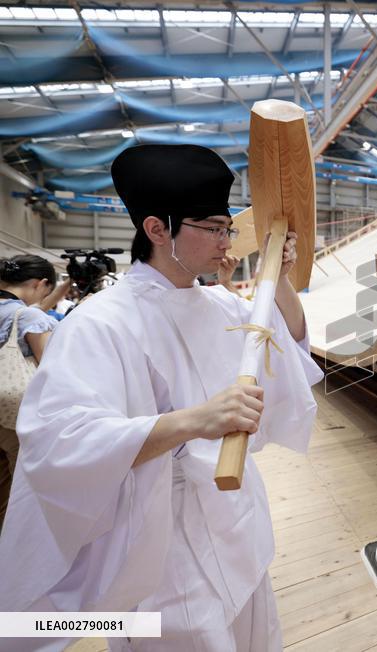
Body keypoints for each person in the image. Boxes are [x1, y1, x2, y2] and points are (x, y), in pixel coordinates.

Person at [0, 144, 323, 651]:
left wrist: (278, 281)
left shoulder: (218, 303)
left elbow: (286, 350)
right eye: (214, 228)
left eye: (227, 228)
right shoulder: (101, 320)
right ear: (157, 229)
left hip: (236, 516)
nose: (226, 240)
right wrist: (194, 421)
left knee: (253, 629)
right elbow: (59, 440)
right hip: (158, 531)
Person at [0, 255, 59, 532]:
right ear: (41, 284)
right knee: (19, 488)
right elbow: (52, 368)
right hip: (11, 415)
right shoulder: (29, 316)